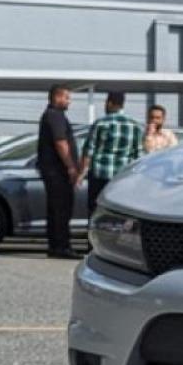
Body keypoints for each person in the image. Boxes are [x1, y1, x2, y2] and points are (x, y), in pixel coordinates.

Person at [80, 92, 143, 212]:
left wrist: (81, 173)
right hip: (122, 177)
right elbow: (138, 155)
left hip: (99, 176)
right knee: (119, 212)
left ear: (109, 103)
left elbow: (89, 150)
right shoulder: (134, 126)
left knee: (96, 210)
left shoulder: (100, 123)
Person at [37, 84, 80, 259]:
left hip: (52, 171)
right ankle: (61, 246)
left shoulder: (50, 115)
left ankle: (55, 245)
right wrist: (70, 166)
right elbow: (61, 142)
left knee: (56, 209)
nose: (69, 101)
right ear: (57, 98)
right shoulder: (55, 116)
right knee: (61, 209)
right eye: (67, 98)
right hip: (57, 171)